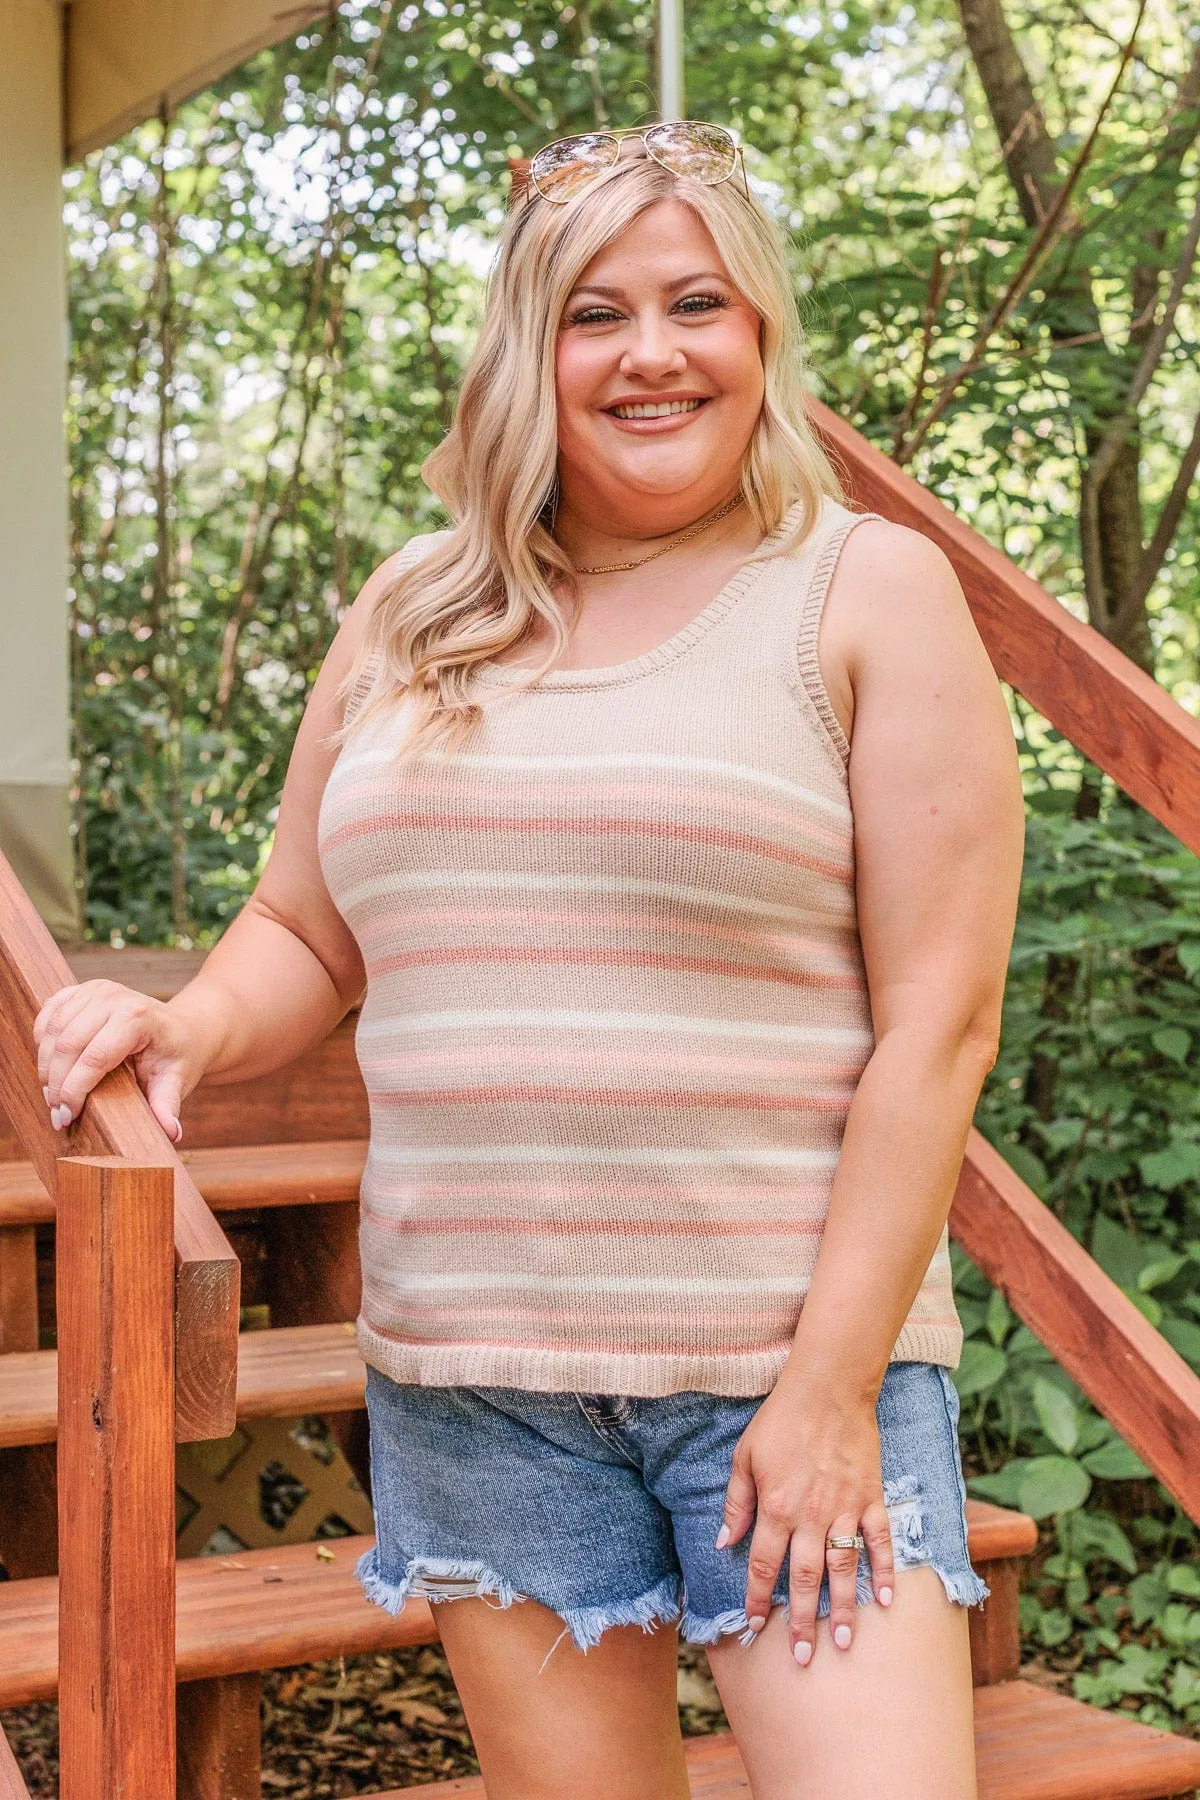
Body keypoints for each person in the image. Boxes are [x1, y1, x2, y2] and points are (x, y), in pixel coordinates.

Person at [34, 123, 1025, 1800]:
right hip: (475, 1379)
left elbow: (942, 1028)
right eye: (593, 313)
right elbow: (302, 928)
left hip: (777, 1366)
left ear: (759, 334)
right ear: (526, 353)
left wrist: (834, 1389)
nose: (651, 353)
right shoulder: (413, 610)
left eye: (695, 302)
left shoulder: (864, 593)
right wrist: (188, 1023)